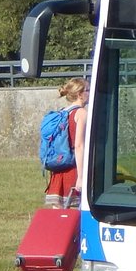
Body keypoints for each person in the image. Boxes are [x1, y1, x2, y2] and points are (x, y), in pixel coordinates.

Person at [43, 77, 88, 208]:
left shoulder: (62, 112)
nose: (90, 94)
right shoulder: (81, 113)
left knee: (59, 215)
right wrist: (81, 176)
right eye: (88, 90)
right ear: (80, 94)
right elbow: (79, 146)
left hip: (59, 167)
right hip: (73, 168)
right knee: (76, 214)